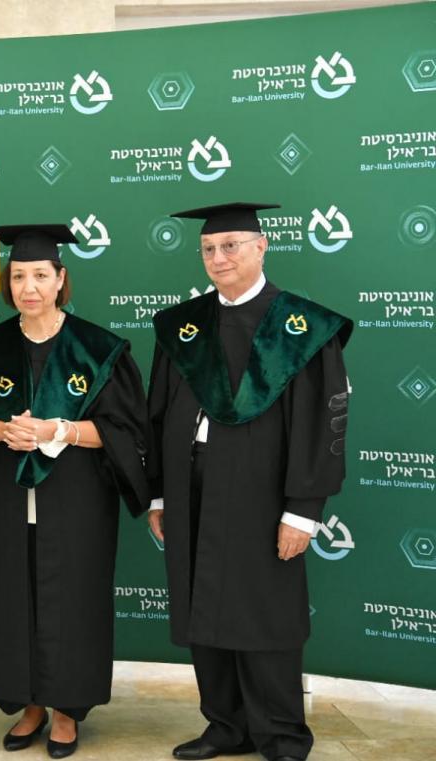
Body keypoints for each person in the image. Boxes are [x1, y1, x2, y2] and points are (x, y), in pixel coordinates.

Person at [146, 203, 352, 761]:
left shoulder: (302, 328)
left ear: (262, 247)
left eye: (231, 245)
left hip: (266, 493)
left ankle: (281, 734)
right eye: (209, 249)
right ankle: (225, 725)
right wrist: (159, 493)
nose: (219, 258)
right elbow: (158, 414)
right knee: (202, 603)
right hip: (192, 484)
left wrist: (302, 510)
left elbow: (320, 426)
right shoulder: (182, 326)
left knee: (264, 611)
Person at [0, 224, 150, 759]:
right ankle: (30, 704)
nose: (29, 287)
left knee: (75, 601)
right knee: (12, 599)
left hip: (79, 500)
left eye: (40, 275)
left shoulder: (99, 350)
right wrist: (3, 430)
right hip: (8, 499)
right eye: (18, 276)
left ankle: (66, 711)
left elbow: (126, 433)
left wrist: (61, 430)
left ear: (61, 279)